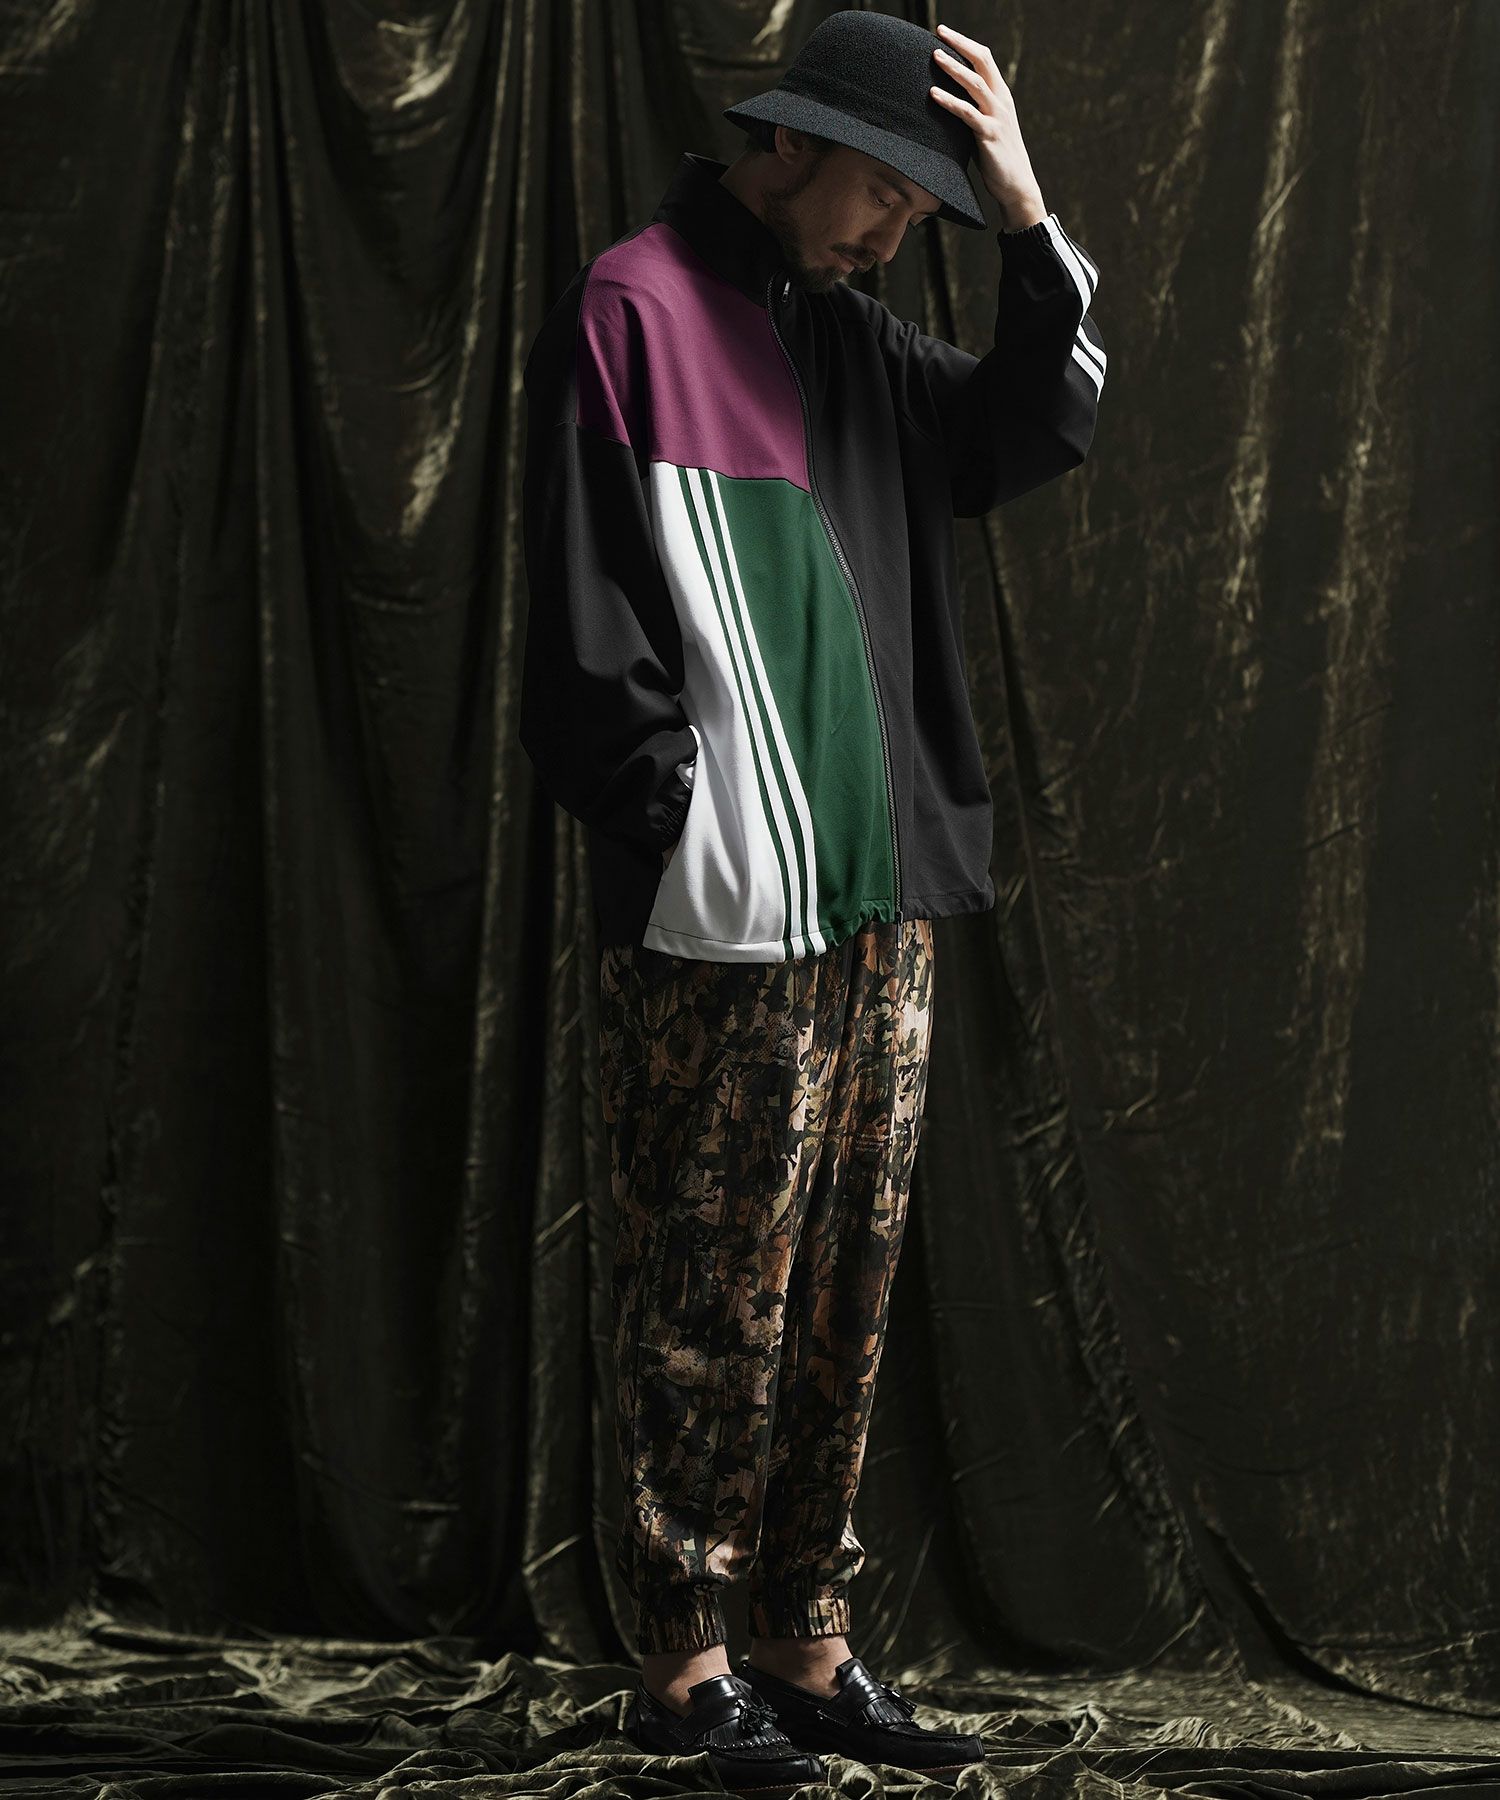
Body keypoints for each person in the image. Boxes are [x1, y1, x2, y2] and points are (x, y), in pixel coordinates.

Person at [519, 11, 1106, 1793]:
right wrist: (693, 831)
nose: (896, 233)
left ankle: (805, 1641)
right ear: (787, 145)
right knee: (711, 1288)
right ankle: (684, 1665)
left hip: (881, 900)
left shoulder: (857, 339)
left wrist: (1020, 214)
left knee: (846, 1285)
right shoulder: (634, 309)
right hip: (724, 910)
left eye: (928, 214)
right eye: (886, 196)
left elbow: (1035, 422)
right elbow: (580, 645)